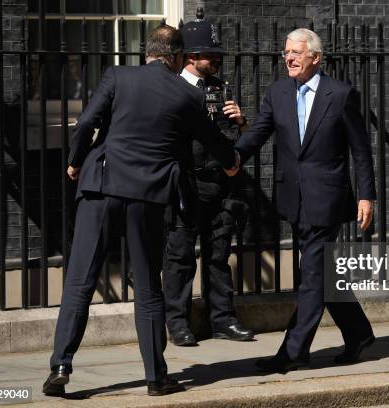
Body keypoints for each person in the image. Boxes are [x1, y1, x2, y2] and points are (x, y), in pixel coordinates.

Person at [42, 25, 237, 397]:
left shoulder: (118, 76)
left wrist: (74, 160)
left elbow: (86, 122)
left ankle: (61, 363)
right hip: (147, 196)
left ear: (146, 53)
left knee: (80, 280)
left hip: (100, 185)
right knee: (148, 287)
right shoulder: (187, 95)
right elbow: (212, 140)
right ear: (177, 57)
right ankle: (155, 376)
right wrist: (232, 162)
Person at [233, 28, 377, 373]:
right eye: (286, 52)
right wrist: (232, 158)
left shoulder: (340, 94)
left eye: (296, 52)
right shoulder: (278, 92)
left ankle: (293, 351)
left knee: (312, 275)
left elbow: (360, 150)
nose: (289, 58)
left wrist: (367, 196)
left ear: (315, 56)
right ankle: (358, 333)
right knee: (321, 272)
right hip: (292, 198)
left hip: (326, 199)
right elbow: (257, 134)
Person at [162, 16, 254, 346]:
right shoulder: (171, 88)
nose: (216, 59)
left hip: (220, 183)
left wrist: (241, 122)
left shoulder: (218, 89)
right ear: (190, 57)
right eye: (209, 55)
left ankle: (223, 319)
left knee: (218, 256)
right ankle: (177, 322)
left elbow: (235, 138)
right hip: (186, 184)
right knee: (181, 257)